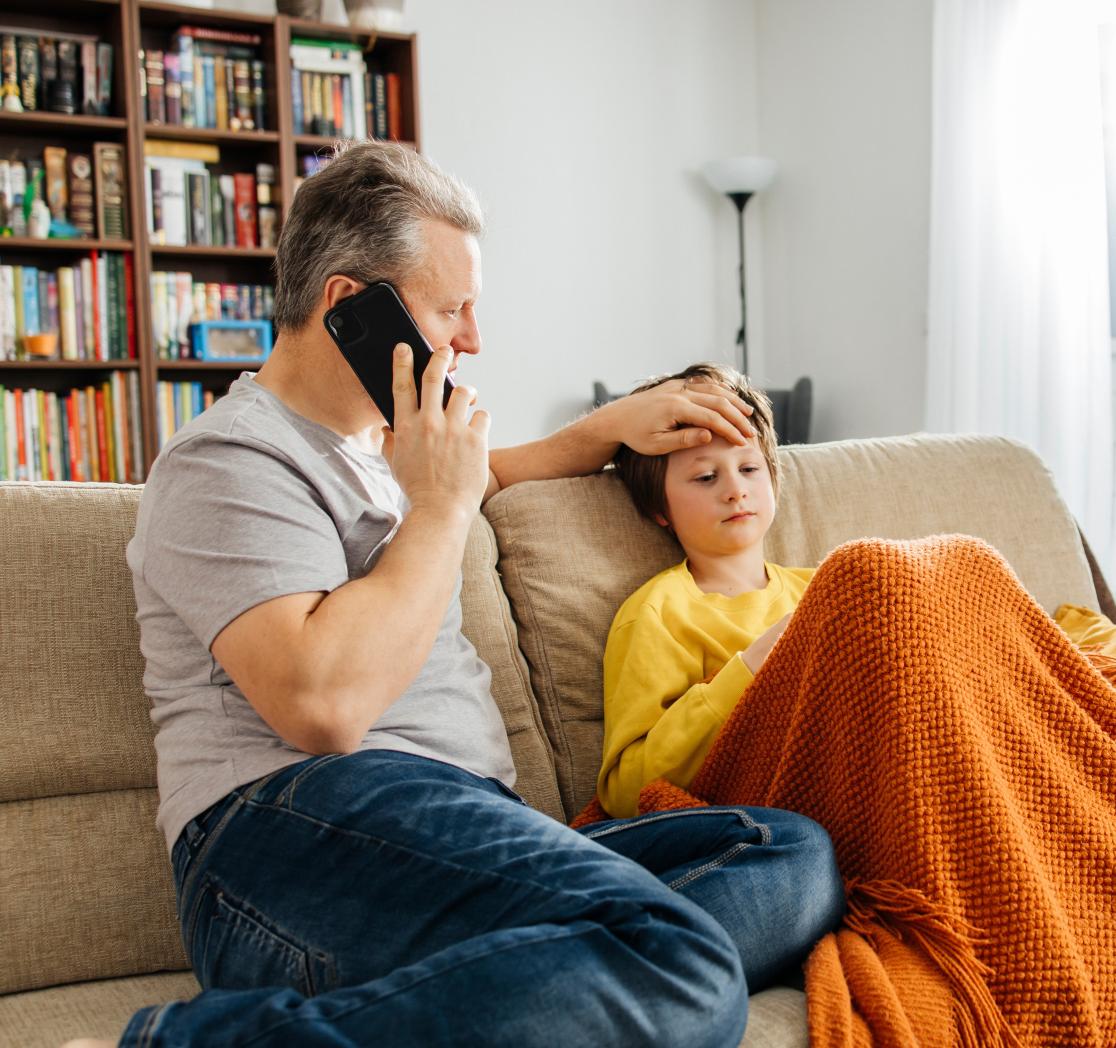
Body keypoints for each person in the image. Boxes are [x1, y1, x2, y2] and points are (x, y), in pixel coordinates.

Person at [64, 143, 843, 1048]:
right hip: (295, 830)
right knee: (689, 967)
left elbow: (492, 475)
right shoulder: (228, 461)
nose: (472, 340)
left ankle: (504, 987)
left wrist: (601, 432)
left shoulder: (388, 453)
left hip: (460, 834)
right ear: (352, 307)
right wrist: (436, 504)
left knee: (790, 858)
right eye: (450, 310)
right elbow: (322, 704)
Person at [597, 363, 808, 818]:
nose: (735, 490)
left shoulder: (822, 587)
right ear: (660, 509)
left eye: (749, 467)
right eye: (706, 477)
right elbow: (625, 788)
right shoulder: (659, 612)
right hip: (772, 805)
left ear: (773, 479)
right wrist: (752, 667)